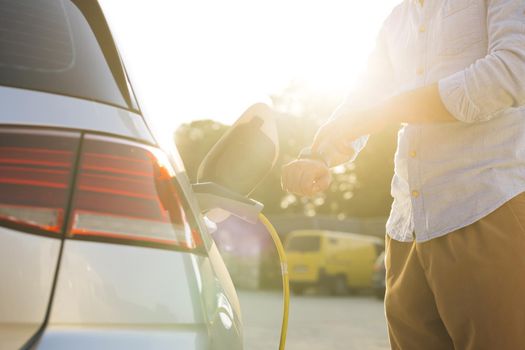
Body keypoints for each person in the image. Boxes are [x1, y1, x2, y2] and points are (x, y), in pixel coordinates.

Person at [281, 1, 525, 349]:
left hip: (487, 207)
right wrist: (316, 155)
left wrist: (387, 111)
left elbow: (512, 72)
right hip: (407, 228)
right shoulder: (397, 21)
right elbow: (364, 98)